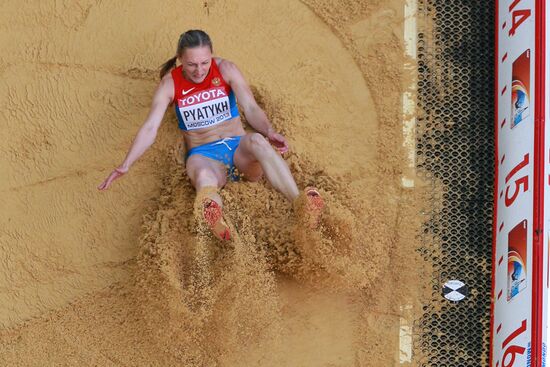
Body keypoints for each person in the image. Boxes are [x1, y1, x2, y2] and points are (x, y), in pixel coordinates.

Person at [98, 29, 323, 241]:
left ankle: (300, 204)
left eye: (205, 63)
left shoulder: (226, 69)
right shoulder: (170, 84)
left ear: (211, 56)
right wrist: (126, 163)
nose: (199, 70)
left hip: (239, 151)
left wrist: (269, 130)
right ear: (179, 59)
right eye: (191, 64)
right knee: (204, 175)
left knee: (257, 140)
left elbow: (251, 108)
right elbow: (150, 128)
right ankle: (217, 222)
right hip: (205, 155)